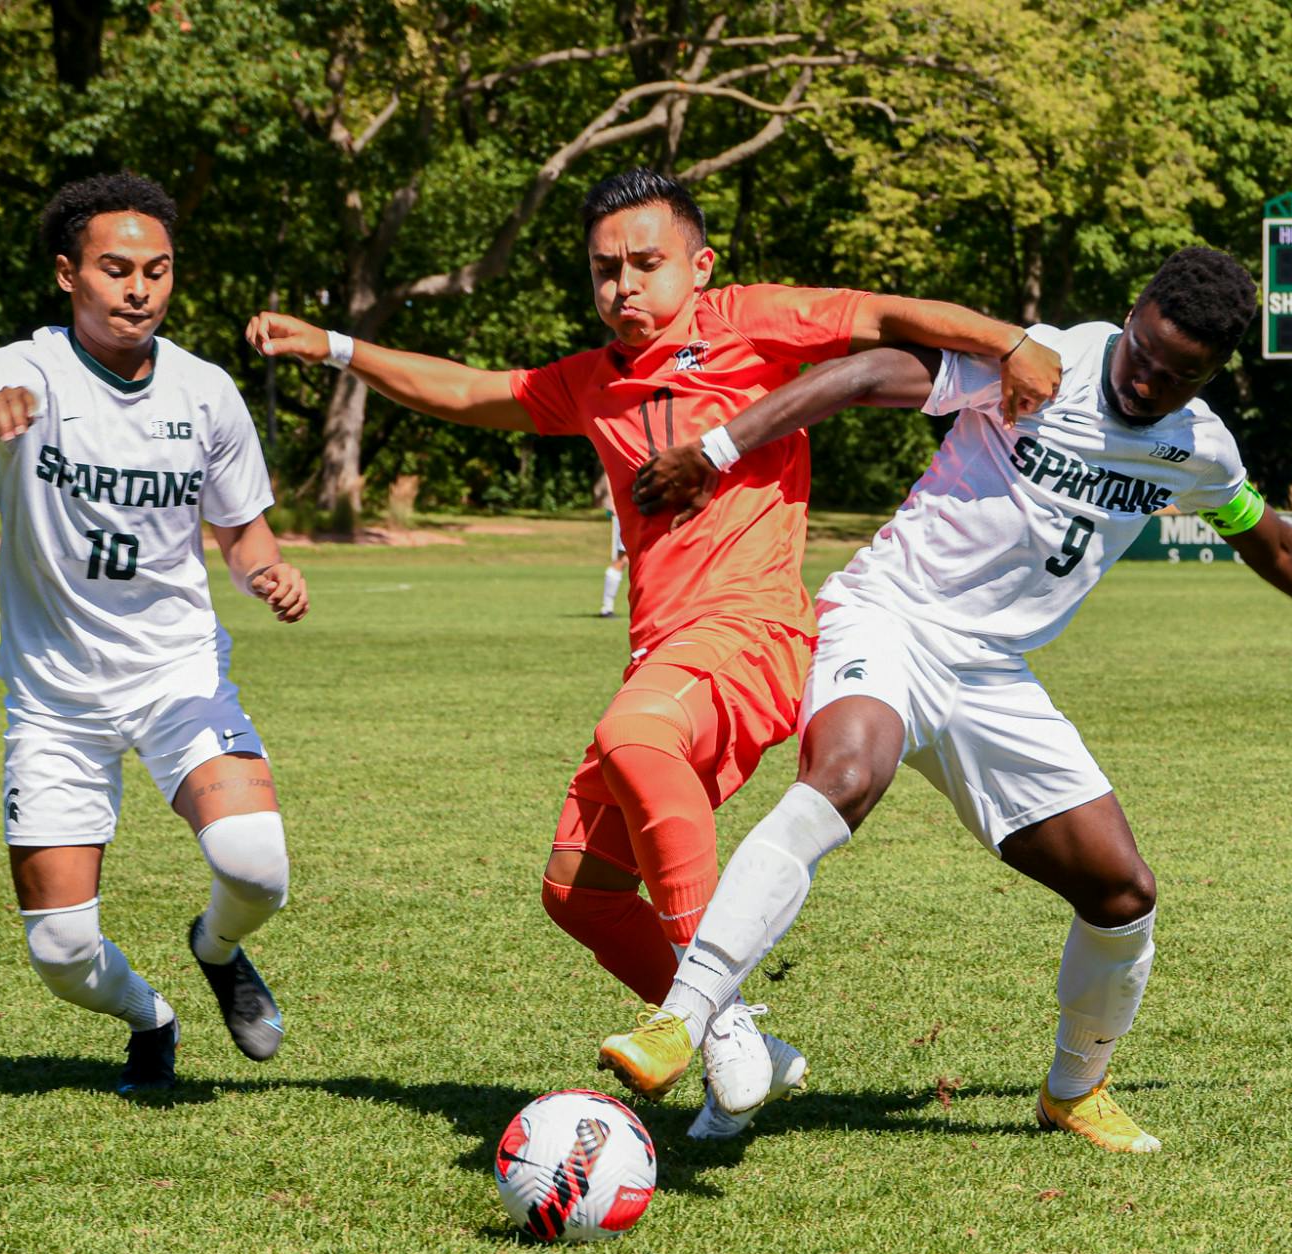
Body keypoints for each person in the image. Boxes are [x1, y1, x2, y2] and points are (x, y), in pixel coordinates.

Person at [247, 167, 1061, 1138]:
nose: (623, 285)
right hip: (664, 650)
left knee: (635, 736)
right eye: (604, 270)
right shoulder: (593, 380)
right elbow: (469, 392)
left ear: (697, 263)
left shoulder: (748, 320)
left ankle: (700, 1023)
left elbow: (891, 314)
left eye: (645, 263)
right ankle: (743, 1025)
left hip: (753, 630)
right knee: (579, 890)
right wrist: (333, 345)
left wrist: (1013, 343)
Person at [599, 247, 1292, 1152]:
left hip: (994, 677)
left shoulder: (1197, 448)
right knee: (847, 772)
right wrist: (718, 450)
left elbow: (1268, 541)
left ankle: (1073, 1090)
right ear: (1133, 314)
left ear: (1210, 375)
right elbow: (862, 374)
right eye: (1144, 350)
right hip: (891, 617)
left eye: (1178, 374)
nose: (1148, 379)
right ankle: (683, 1019)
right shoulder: (1044, 358)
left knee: (1122, 892)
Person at [0, 172, 308, 1095]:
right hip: (54, 698)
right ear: (69, 274)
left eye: (157, 270)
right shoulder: (25, 369)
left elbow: (240, 529)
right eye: (115, 268)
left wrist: (268, 572)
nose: (138, 288)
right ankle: (150, 1014)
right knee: (60, 949)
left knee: (255, 867)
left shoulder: (206, 391)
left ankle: (215, 950)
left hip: (176, 671)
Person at [597, 476, 629, 618]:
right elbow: (610, 474)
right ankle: (607, 607)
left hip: (635, 510)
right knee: (623, 559)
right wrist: (614, 503)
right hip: (626, 510)